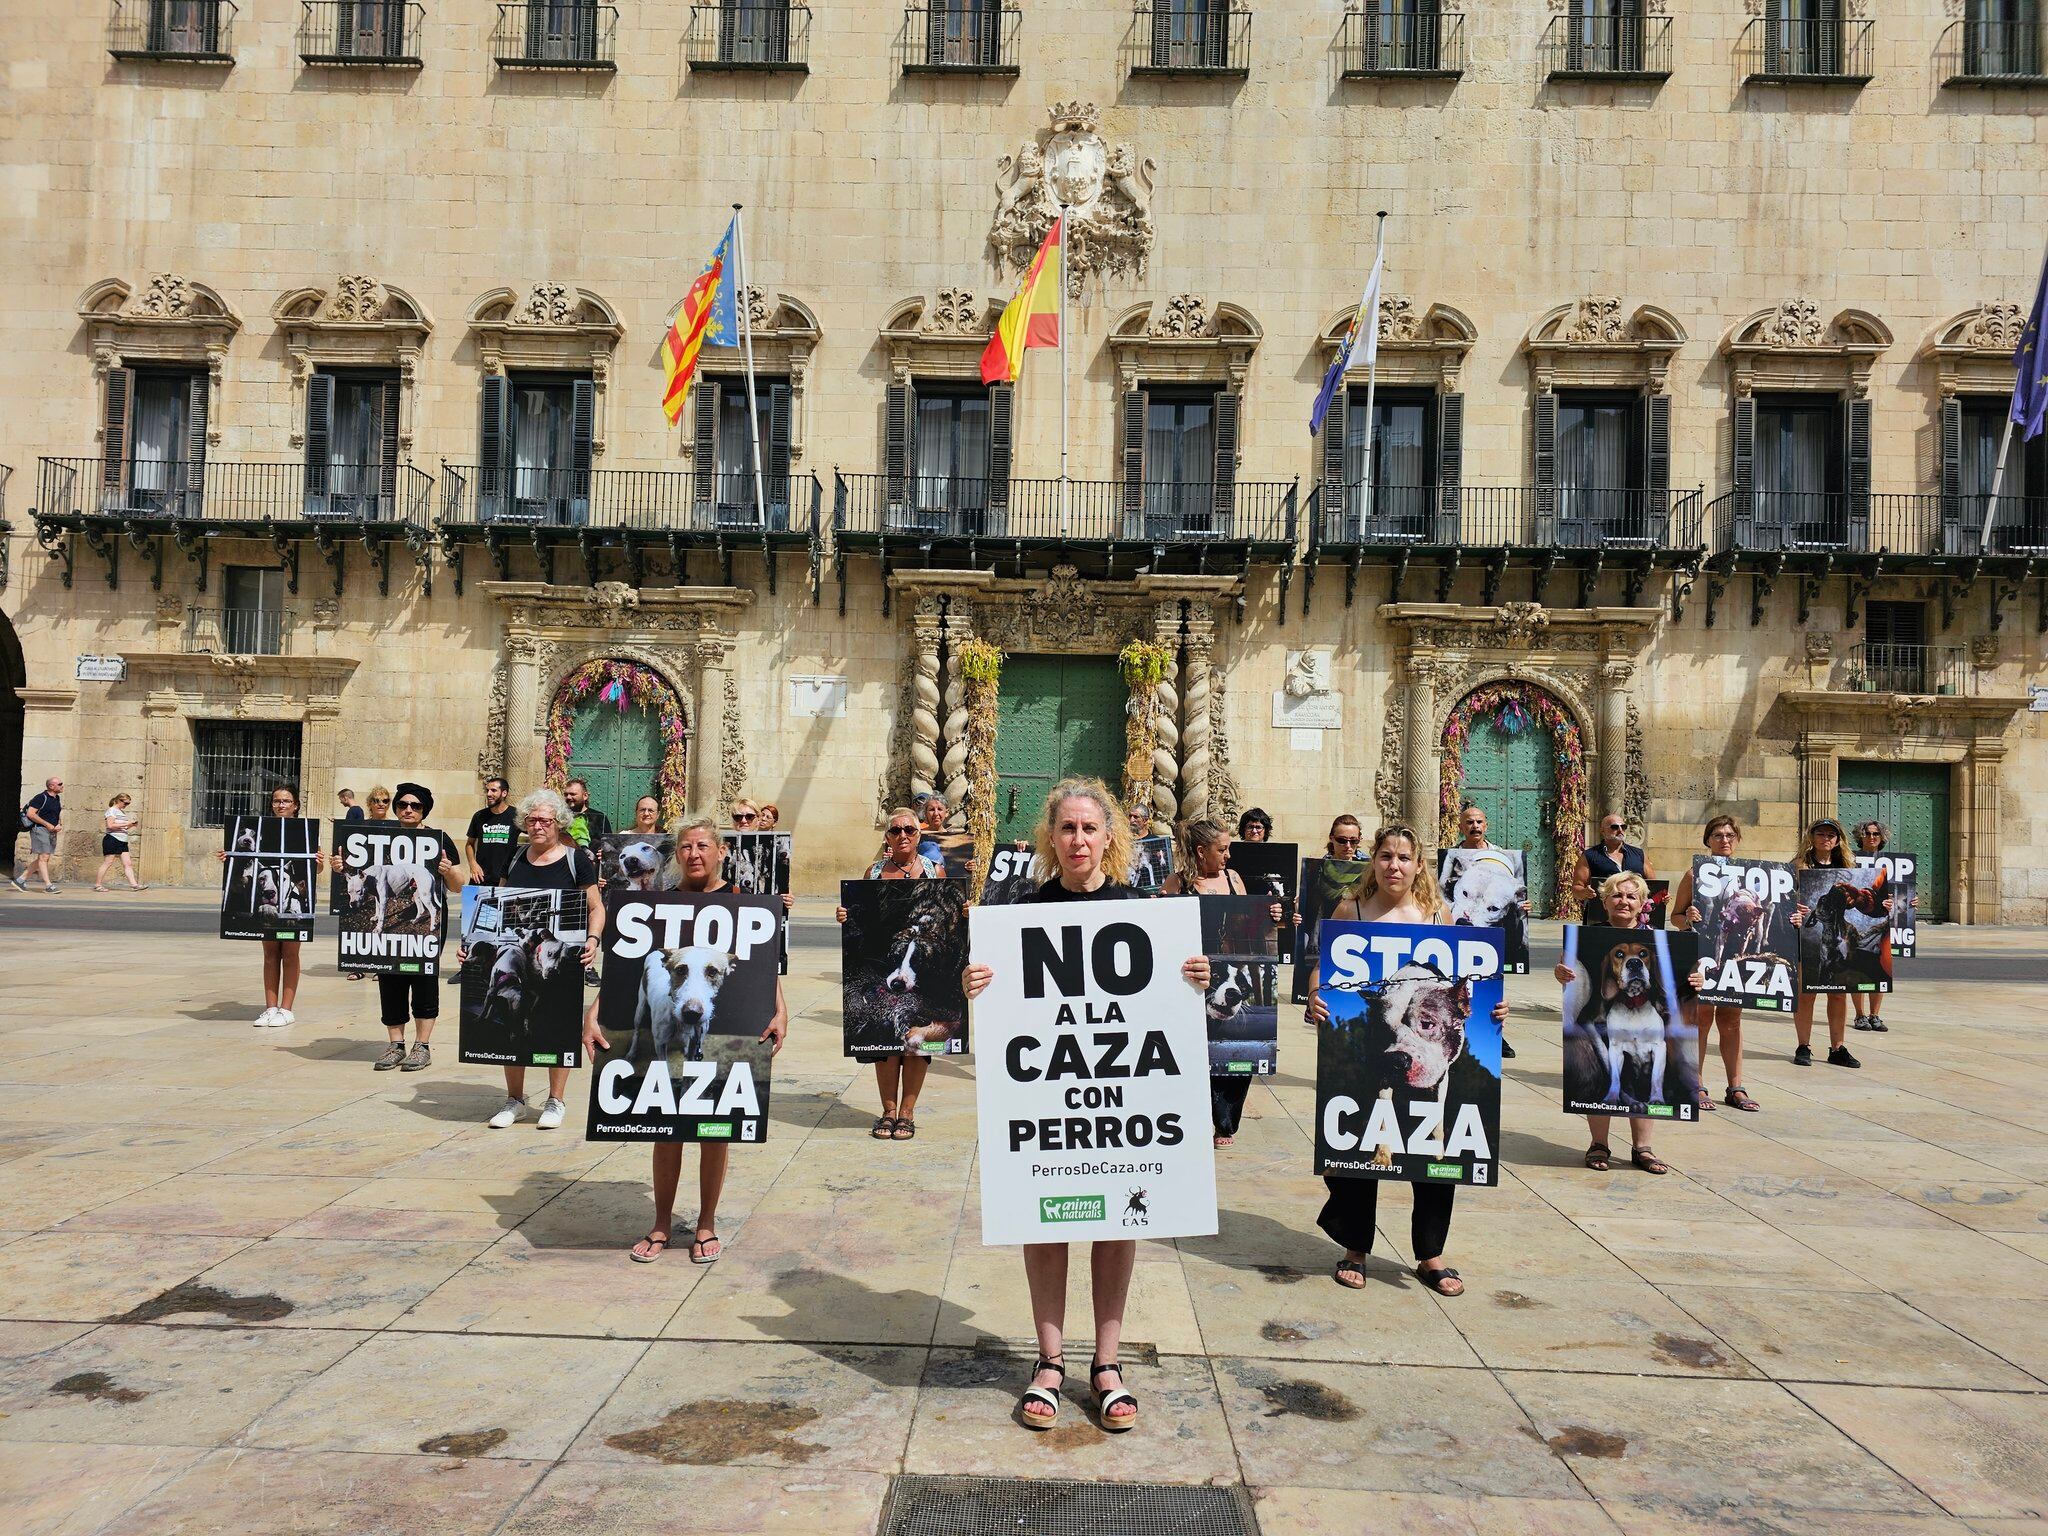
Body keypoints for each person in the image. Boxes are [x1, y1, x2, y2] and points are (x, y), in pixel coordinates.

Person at [963, 777, 1210, 1432]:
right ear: (1051, 838)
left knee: (1116, 1220)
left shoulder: (1141, 912)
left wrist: (1195, 981)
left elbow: (1166, 1007)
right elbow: (1005, 1008)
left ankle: (1105, 1364)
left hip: (1118, 1101)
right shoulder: (1020, 913)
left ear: (1109, 837)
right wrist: (974, 984)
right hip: (1053, 1100)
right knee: (1045, 1219)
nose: (1077, 839)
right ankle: (1049, 1362)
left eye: (1088, 828)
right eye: (1066, 828)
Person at [1306, 822, 1509, 1296]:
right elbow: (1322, 965)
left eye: (1404, 857)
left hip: (1427, 1049)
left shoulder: (1437, 915)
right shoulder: (1352, 908)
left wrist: (1495, 1007)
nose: (1394, 865)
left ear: (1419, 865)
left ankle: (1430, 1253)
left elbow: (1470, 979)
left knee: (1438, 1149)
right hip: (1372, 1049)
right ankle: (1356, 1247)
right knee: (1360, 1141)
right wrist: (1316, 994)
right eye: (1385, 856)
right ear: (1373, 860)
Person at [584, 813, 787, 1264]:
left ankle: (706, 1224)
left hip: (718, 1029)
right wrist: (594, 1012)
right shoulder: (657, 904)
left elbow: (762, 968)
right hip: (668, 1020)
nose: (694, 855)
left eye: (702, 846)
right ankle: (660, 1223)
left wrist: (780, 1009)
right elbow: (621, 970)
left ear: (721, 851)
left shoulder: (744, 902)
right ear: (675, 855)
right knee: (666, 1130)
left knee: (715, 1132)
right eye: (685, 848)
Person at [1556, 870, 1703, 1175]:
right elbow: (1572, 976)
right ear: (1605, 900)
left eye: (1631, 896)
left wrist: (1698, 979)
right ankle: (1599, 1144)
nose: (1624, 901)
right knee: (1598, 1075)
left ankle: (1643, 1148)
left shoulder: (1658, 940)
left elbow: (1685, 977)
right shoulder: (1587, 937)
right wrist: (1561, 974)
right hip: (1604, 1019)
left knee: (1647, 1076)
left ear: (1643, 903)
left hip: (1647, 1016)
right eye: (1617, 895)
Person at [1161, 817, 1284, 1149]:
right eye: (1223, 849)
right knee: (1193, 1051)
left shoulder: (1234, 879)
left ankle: (1225, 1122)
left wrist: (1269, 917)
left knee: (1232, 1054)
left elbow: (1248, 928)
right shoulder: (1176, 884)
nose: (1229, 855)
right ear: (1202, 852)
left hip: (1228, 974)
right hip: (1191, 977)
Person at [485, 787, 604, 1129]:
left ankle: (555, 1100)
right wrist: (476, 941)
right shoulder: (515, 857)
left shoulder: (574, 859)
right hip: (520, 956)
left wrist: (593, 939)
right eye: (532, 820)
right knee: (513, 1022)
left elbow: (596, 908)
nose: (538, 826)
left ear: (558, 824)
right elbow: (499, 903)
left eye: (546, 821)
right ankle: (515, 1100)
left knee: (558, 1022)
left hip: (557, 957)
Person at [836, 807, 945, 1140]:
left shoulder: (934, 870)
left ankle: (907, 1114)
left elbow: (943, 921)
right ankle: (888, 1111)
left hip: (921, 971)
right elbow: (863, 919)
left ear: (919, 834)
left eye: (909, 830)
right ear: (887, 836)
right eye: (895, 830)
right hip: (885, 968)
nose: (903, 836)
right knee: (883, 1043)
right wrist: (845, 915)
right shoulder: (874, 872)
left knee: (916, 1044)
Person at [359, 783, 463, 1073]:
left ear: (423, 810)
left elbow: (456, 886)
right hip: (391, 927)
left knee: (423, 978)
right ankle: (395, 1044)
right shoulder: (377, 838)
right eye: (403, 804)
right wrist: (340, 864)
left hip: (426, 926)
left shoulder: (439, 840)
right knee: (389, 976)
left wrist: (449, 870)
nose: (408, 809)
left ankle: (422, 1045)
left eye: (415, 806)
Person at [1670, 814, 1759, 1112]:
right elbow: (1676, 916)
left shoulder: (1754, 875)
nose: (1725, 840)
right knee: (1703, 1017)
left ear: (1738, 840)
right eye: (1718, 835)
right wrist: (1688, 918)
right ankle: (1697, 1082)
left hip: (1738, 954)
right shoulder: (1693, 875)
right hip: (1704, 953)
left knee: (1732, 1020)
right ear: (1708, 840)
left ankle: (1736, 1086)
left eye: (1730, 835)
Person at [216, 784, 310, 1028]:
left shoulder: (305, 831)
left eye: (286, 801)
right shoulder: (262, 830)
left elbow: (313, 870)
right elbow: (243, 863)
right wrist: (229, 857)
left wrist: (319, 861)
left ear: (295, 805)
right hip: (262, 897)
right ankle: (270, 1008)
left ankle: (286, 1009)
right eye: (277, 801)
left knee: (290, 953)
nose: (281, 805)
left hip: (290, 900)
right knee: (270, 953)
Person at [1790, 817, 1861, 1070]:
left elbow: (1864, 902)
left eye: (1831, 835)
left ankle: (1837, 1047)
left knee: (1838, 993)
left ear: (1838, 839)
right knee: (1806, 992)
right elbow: (1782, 896)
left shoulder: (1850, 867)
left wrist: (1890, 904)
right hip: (1808, 937)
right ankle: (1803, 1045)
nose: (1826, 839)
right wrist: (1793, 906)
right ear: (1812, 837)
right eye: (1821, 834)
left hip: (1840, 936)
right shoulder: (1799, 865)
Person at [1447, 804, 1516, 1058]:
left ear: (1486, 825)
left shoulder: (1501, 856)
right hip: (1459, 929)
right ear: (1461, 826)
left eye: (1479, 822)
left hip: (1489, 934)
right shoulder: (1454, 858)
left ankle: (1496, 1036)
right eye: (1469, 822)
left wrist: (1522, 905)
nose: (1474, 826)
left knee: (1489, 986)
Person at [1851, 819, 1910, 1033]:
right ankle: (1859, 1014)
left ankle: (1875, 1014)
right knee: (1859, 964)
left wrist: (1910, 901)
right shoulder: (1851, 860)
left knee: (1881, 968)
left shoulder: (1893, 863)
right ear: (1860, 836)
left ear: (1882, 837)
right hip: (1860, 918)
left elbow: (1902, 892)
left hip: (1886, 922)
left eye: (1876, 834)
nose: (1872, 837)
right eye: (1867, 833)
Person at [465, 776, 519, 887]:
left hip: (506, 879)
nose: (489, 794)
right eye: (487, 790)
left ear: (504, 793)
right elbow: (469, 844)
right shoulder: (479, 816)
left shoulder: (516, 815)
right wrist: (473, 864)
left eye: (493, 790)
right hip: (481, 877)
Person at [13, 776, 63, 892]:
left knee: (44, 857)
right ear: (51, 786)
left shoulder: (57, 798)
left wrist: (59, 824)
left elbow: (56, 814)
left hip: (51, 831)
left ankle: (20, 880)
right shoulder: (40, 798)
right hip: (39, 829)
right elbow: (31, 814)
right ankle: (48, 885)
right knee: (44, 857)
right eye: (60, 784)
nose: (62, 786)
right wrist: (47, 824)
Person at [95, 793, 145, 891]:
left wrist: (131, 825)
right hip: (113, 839)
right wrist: (127, 823)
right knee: (108, 862)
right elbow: (110, 825)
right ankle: (98, 885)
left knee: (128, 863)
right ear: (119, 800)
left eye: (128, 804)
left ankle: (134, 885)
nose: (126, 805)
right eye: (126, 803)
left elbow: (123, 826)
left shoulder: (121, 812)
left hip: (122, 840)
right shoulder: (112, 810)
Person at [563, 778, 612, 850]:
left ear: (585, 796)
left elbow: (609, 844)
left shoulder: (600, 818)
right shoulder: (560, 816)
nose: (568, 797)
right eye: (566, 794)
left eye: (573, 794)